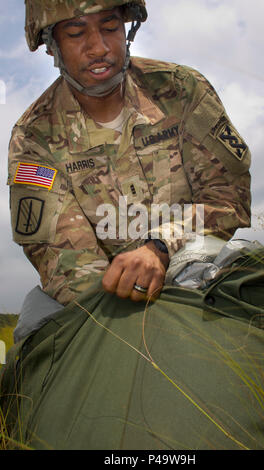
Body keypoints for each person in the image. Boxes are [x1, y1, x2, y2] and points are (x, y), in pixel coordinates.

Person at [8, 0, 251, 308]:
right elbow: (63, 259)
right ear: (51, 46)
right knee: (38, 330)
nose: (98, 47)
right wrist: (122, 313)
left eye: (110, 27)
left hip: (198, 268)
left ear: (127, 27)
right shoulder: (34, 137)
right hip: (104, 297)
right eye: (75, 33)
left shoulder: (181, 91)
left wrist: (160, 247)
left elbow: (227, 198)